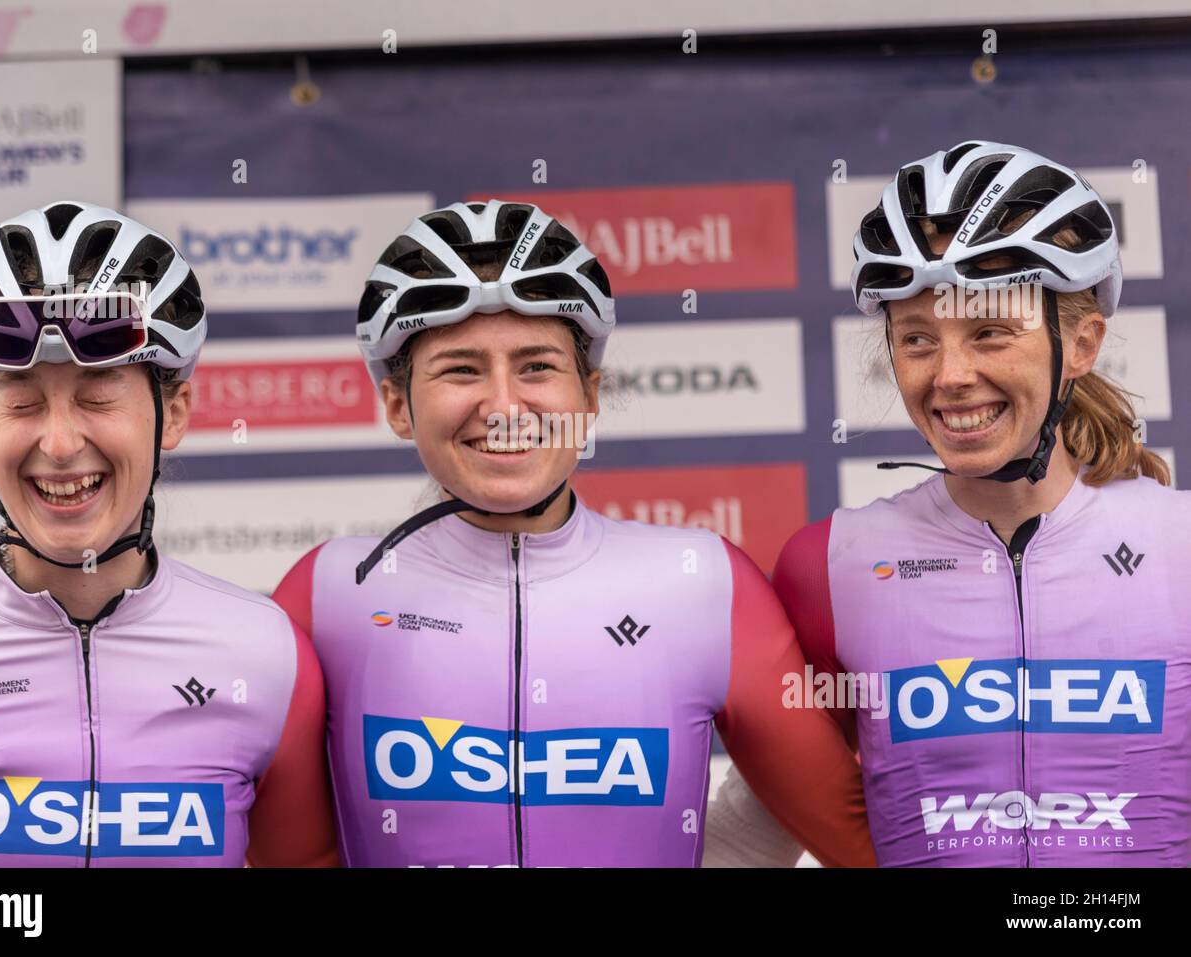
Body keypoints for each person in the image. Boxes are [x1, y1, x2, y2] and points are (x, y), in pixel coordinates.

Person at [272, 200, 875, 867]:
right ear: (396, 404)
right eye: (461, 369)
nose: (503, 406)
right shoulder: (325, 595)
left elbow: (858, 841)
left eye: (536, 367)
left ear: (589, 397)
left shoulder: (699, 581)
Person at [712, 140, 1190, 866]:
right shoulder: (834, 566)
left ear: (1083, 341)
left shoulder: (1180, 546)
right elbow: (757, 829)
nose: (951, 375)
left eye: (990, 332)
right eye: (917, 339)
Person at [0, 201, 336, 867]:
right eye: (22, 398)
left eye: (99, 394)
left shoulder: (267, 655)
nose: (61, 442)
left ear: (174, 412)